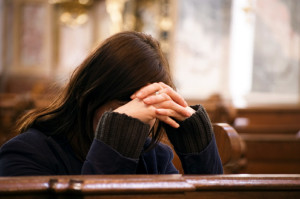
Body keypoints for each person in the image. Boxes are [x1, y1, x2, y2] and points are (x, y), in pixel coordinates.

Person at [0, 31, 223, 176]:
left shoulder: (152, 157)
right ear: (89, 94)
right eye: (121, 109)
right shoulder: (27, 152)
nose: (134, 122)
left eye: (145, 110)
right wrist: (117, 135)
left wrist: (195, 141)